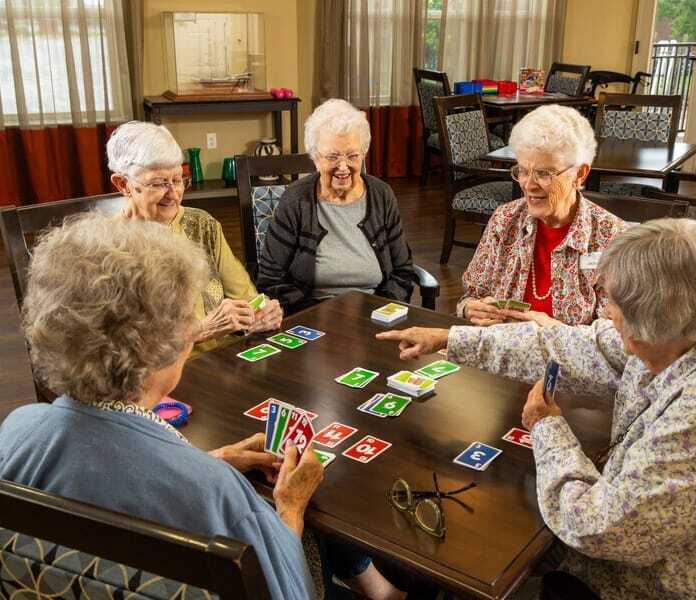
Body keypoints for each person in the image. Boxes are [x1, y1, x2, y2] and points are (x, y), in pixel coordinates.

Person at [377, 219, 696, 598]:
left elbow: (600, 530)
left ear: (648, 323)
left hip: (664, 583)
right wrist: (451, 339)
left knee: (475, 549)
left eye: (611, 303)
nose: (606, 312)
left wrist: (547, 427)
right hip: (643, 545)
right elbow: (573, 346)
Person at [0, 214, 321, 599]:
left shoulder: (17, 430)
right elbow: (289, 592)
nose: (194, 327)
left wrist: (210, 460)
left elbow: (111, 476)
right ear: (159, 345)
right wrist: (290, 507)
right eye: (188, 316)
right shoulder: (216, 493)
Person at [107, 121, 283, 352]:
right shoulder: (106, 249)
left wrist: (262, 313)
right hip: (163, 370)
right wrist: (202, 331)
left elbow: (246, 298)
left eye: (178, 179)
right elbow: (122, 345)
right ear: (123, 184)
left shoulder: (202, 225)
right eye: (159, 183)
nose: (173, 194)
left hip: (220, 359)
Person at [458, 105, 625, 328]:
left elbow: (613, 335)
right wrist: (469, 308)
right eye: (523, 171)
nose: (529, 185)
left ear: (580, 174)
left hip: (563, 353)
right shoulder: (505, 220)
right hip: (497, 346)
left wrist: (553, 330)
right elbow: (471, 294)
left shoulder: (613, 239)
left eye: (543, 173)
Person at [256, 98, 416, 314]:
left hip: (374, 315)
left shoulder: (382, 195)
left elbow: (403, 271)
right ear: (315, 158)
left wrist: (380, 312)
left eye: (352, 156)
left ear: (364, 154)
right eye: (332, 157)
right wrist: (314, 314)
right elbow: (270, 279)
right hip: (312, 315)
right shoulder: (296, 200)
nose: (343, 167)